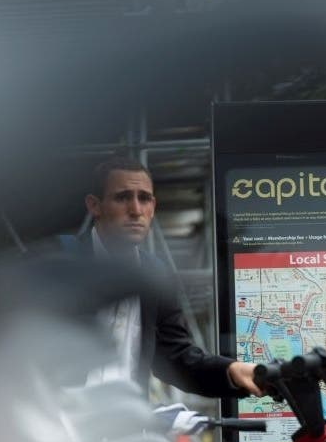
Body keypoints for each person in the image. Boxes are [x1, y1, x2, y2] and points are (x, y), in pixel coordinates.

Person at [69, 154, 262, 398]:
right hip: (59, 426)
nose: (136, 210)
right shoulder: (61, 262)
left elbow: (176, 358)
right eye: (122, 197)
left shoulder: (155, 273)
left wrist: (232, 371)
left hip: (123, 427)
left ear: (153, 206)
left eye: (144, 198)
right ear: (94, 205)